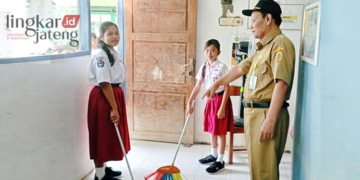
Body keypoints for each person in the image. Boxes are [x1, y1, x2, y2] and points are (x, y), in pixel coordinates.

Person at [202, 1, 295, 179]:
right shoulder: (263, 48)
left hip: (266, 113)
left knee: (265, 172)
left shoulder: (280, 44)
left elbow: (281, 83)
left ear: (268, 19)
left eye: (253, 20)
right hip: (255, 113)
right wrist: (216, 84)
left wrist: (270, 120)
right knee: (257, 169)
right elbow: (239, 69)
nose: (250, 26)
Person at [87, 21, 130, 180]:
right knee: (101, 135)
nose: (114, 36)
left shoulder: (112, 52)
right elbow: (104, 83)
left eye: (116, 33)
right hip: (104, 97)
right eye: (110, 34)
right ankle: (99, 176)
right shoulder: (101, 55)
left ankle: (105, 169)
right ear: (101, 37)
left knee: (108, 134)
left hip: (113, 94)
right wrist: (115, 108)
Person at [186, 39, 234, 174]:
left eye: (213, 50)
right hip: (210, 101)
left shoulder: (222, 67)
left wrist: (222, 107)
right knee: (212, 129)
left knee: (220, 131)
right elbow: (197, 86)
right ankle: (213, 155)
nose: (210, 53)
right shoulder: (203, 68)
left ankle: (220, 160)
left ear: (218, 52)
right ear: (204, 52)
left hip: (220, 101)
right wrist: (189, 101)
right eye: (207, 50)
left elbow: (227, 88)